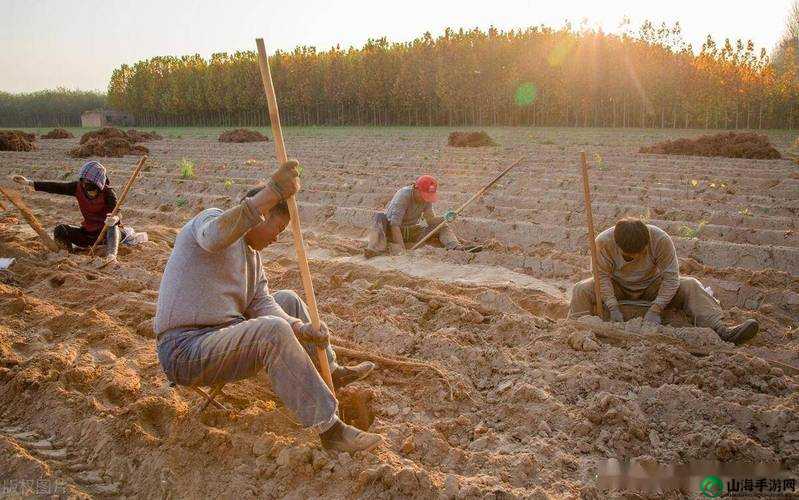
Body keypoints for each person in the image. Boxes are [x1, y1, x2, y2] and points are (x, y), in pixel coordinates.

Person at [154, 159, 381, 453]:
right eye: (278, 227)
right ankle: (331, 429)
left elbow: (263, 304)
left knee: (288, 301)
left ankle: (330, 372)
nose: (277, 238)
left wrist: (300, 329)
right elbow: (212, 238)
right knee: (271, 331)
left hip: (222, 338)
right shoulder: (212, 221)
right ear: (261, 214)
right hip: (185, 350)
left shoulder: (253, 258)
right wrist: (272, 191)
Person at [568, 218, 759, 345]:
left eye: (640, 253)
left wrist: (656, 308)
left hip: (651, 286)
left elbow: (671, 277)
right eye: (629, 256)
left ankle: (722, 330)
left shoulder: (660, 239)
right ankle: (578, 328)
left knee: (691, 284)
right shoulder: (603, 242)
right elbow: (601, 277)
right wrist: (612, 306)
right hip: (617, 287)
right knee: (581, 289)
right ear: (618, 245)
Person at [12, 161, 120, 265]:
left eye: (93, 191)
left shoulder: (109, 193)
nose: (90, 193)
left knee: (113, 226)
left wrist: (114, 219)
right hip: (88, 235)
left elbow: (118, 214)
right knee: (60, 230)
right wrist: (29, 183)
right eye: (87, 189)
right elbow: (57, 187)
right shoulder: (77, 187)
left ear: (99, 185)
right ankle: (68, 255)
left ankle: (111, 257)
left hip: (106, 235)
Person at [364, 175, 480, 258]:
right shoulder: (403, 195)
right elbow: (395, 225)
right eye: (424, 194)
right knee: (380, 217)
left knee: (441, 226)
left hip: (410, 231)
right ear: (416, 188)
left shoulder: (426, 199)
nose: (426, 198)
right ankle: (374, 248)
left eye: (429, 195)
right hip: (391, 231)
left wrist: (445, 218)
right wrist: (402, 251)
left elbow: (430, 221)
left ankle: (455, 247)